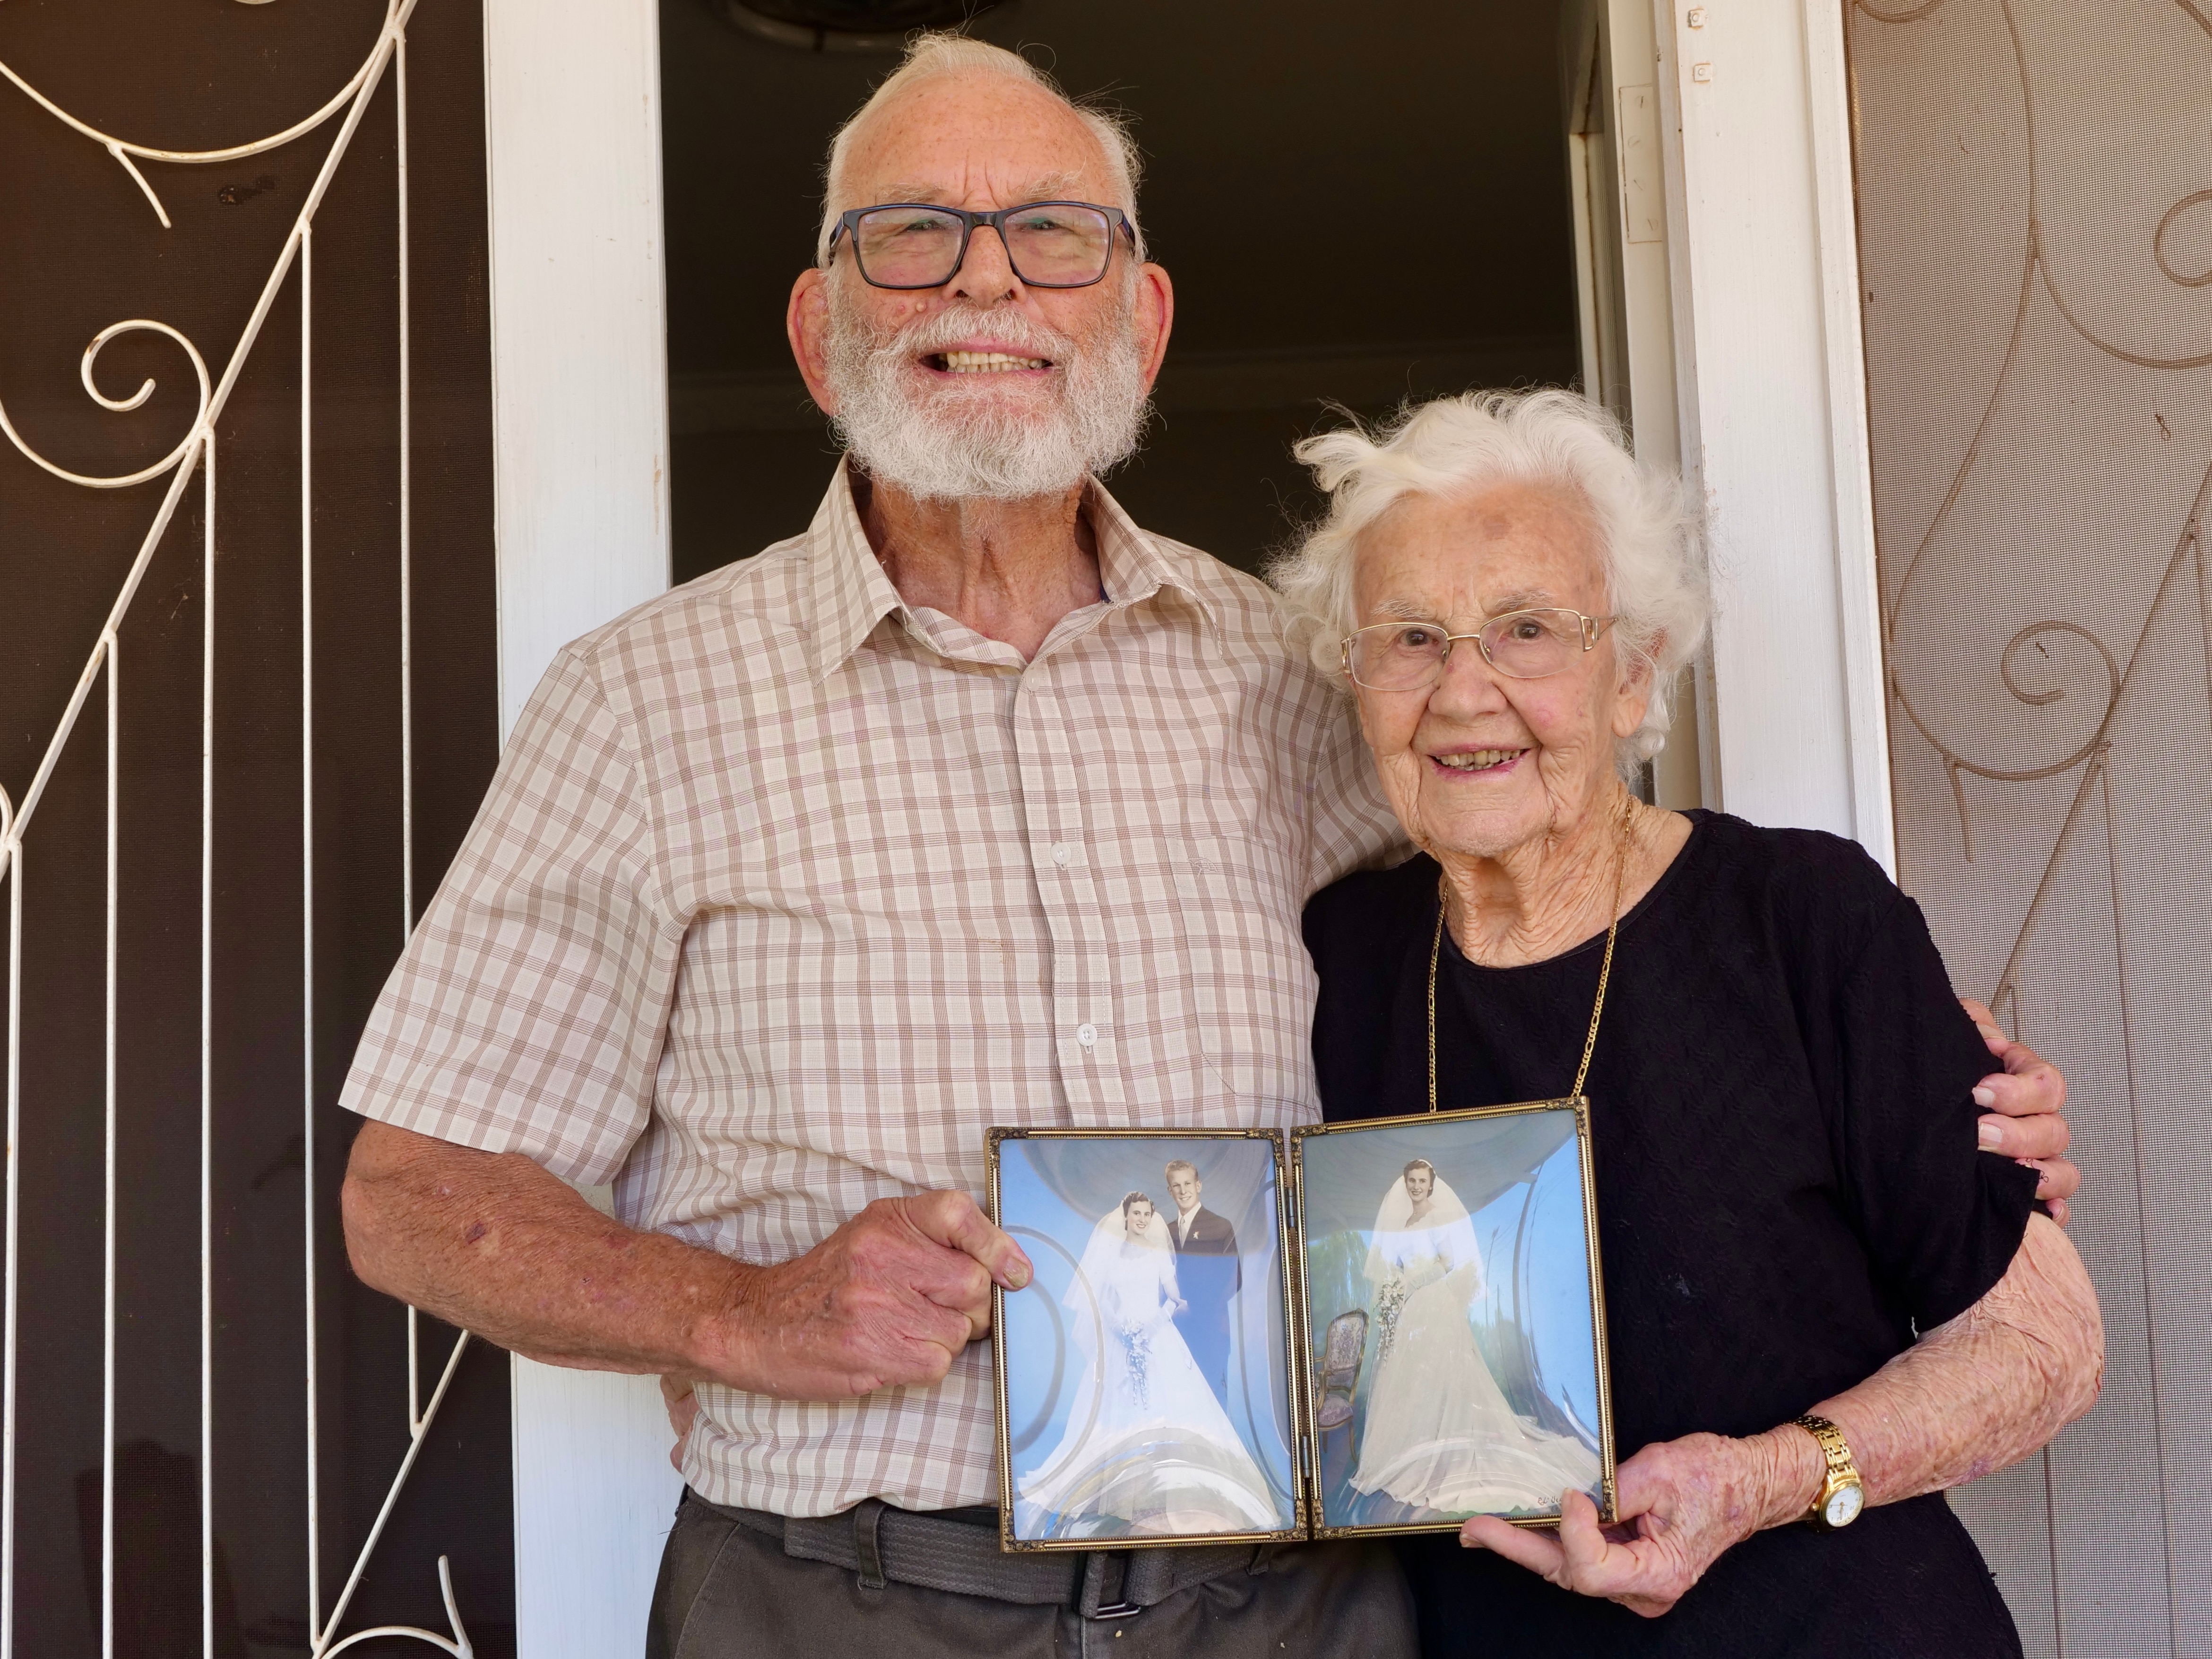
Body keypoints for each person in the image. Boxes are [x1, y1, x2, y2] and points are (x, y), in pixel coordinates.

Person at [333, 32, 2076, 1659]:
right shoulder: (644, 703)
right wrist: (740, 1309)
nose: (986, 278)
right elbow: (412, 1200)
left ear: (1146, 320)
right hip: (847, 1598)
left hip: (1291, 1611)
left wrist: (1918, 1076)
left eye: (1052, 234)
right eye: (913, 234)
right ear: (815, 327)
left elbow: (1535, 891)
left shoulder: (1293, 674)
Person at [1277, 387, 2106, 1657]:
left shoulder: (1802, 922)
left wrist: (1771, 1473)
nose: (1463, 690)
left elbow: (2045, 1343)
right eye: (1410, 637)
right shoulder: (1337, 961)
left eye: (1527, 629)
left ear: (1634, 671)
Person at [1017, 1193, 1279, 1539]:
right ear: (1125, 1217)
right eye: (1136, 1213)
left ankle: (1169, 1487)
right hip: (1121, 1338)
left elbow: (1175, 1298)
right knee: (1115, 1408)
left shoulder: (1158, 1255)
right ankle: (1123, 1490)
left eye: (1146, 1213)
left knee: (1170, 1404)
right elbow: (1099, 1298)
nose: (1141, 1219)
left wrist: (1152, 1327)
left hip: (1156, 1335)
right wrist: (1121, 1329)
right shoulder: (1111, 1254)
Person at [1349, 1159, 1599, 1517]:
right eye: (1411, 1181)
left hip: (1433, 1304)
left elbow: (1449, 1262)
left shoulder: (1438, 1218)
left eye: (1421, 1181)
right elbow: (1396, 1267)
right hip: (1411, 1312)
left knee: (1446, 1376)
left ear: (1431, 1185)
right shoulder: (1404, 1224)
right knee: (1414, 1382)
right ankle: (1421, 1451)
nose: (1416, 1187)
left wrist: (1416, 1282)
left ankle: (1448, 1454)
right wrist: (1398, 1293)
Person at [1163, 1159, 1240, 1406]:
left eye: (1188, 1184)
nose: (1183, 1191)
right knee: (1180, 1400)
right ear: (1170, 1191)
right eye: (1177, 1186)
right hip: (1176, 1328)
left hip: (1212, 1328)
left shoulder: (1220, 1226)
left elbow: (1234, 1279)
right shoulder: (1166, 1232)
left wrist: (1195, 1308)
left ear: (1199, 1186)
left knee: (1214, 1399)